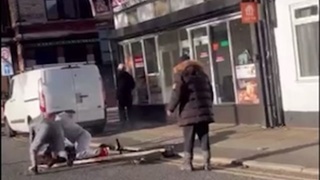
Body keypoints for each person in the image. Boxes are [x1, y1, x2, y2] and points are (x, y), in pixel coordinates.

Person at [167, 55, 214, 171]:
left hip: (189, 112)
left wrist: (170, 108)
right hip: (204, 111)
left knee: (188, 138)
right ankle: (207, 163)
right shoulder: (203, 75)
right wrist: (207, 106)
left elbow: (176, 93)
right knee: (204, 137)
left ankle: (187, 163)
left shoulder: (181, 75)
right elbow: (210, 92)